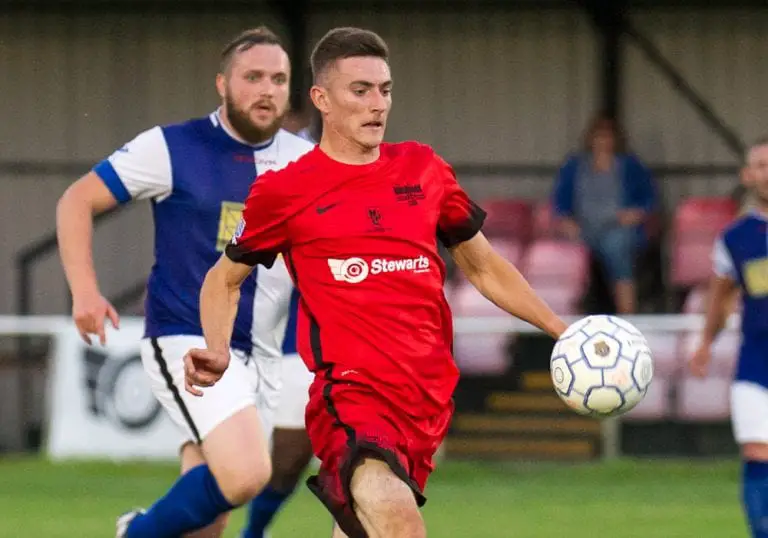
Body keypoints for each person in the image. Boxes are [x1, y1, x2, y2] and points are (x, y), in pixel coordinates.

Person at [183, 27, 567, 538]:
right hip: (351, 396)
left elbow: (484, 266)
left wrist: (563, 330)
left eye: (384, 90)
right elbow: (223, 280)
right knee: (398, 522)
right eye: (359, 90)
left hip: (426, 398)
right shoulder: (284, 192)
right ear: (321, 98)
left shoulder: (424, 170)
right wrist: (218, 349)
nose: (377, 104)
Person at [55, 27, 314, 538]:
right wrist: (84, 290)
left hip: (261, 356)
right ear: (222, 83)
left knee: (207, 521)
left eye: (279, 79)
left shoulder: (306, 161)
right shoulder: (170, 147)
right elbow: (77, 200)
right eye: (253, 77)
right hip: (188, 341)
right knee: (247, 475)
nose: (267, 89)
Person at [689, 136, 768, 538]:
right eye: (761, 165)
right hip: (756, 362)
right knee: (758, 453)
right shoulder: (736, 238)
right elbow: (720, 299)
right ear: (747, 175)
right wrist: (704, 342)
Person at [244, 112, 318, 538]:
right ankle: (252, 533)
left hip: (362, 349)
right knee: (288, 459)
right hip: (298, 347)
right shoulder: (276, 192)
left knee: (360, 468)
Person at [552, 113, 657, 314]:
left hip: (617, 227)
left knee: (617, 248)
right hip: (584, 227)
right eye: (599, 136)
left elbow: (648, 200)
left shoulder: (630, 165)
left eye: (608, 136)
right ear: (590, 138)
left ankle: (627, 313)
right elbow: (560, 201)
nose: (603, 141)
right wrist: (566, 221)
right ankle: (571, 312)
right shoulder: (574, 166)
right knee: (565, 253)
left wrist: (634, 214)